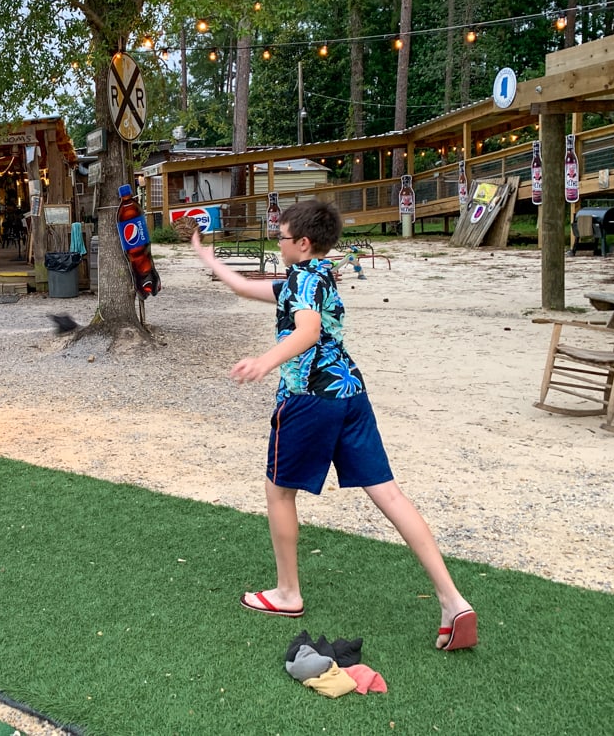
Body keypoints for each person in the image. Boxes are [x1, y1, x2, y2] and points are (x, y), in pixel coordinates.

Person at [190, 200, 476, 651]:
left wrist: (264, 362)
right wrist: (208, 258)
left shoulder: (301, 280)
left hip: (310, 399)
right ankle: (453, 600)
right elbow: (246, 287)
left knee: (279, 491)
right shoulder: (317, 275)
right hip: (350, 394)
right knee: (389, 492)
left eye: (281, 237)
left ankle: (287, 593)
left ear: (302, 243)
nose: (277, 242)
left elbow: (306, 331)